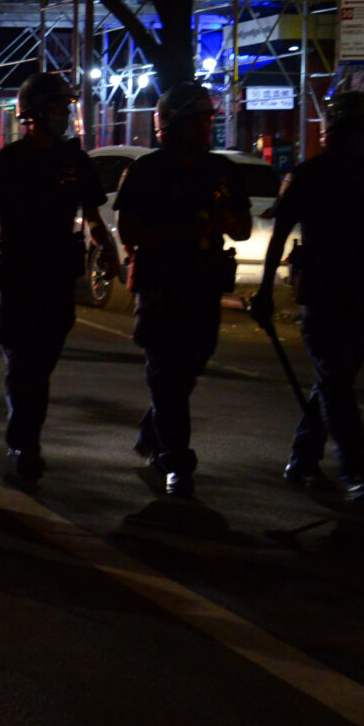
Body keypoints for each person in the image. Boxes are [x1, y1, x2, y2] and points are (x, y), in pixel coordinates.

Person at [0, 73, 118, 482]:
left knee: (40, 366)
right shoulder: (9, 161)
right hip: (18, 279)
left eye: (66, 108)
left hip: (57, 281)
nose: (64, 116)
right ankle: (24, 442)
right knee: (21, 363)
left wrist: (108, 249)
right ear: (33, 113)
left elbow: (94, 217)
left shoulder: (74, 160)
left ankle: (27, 435)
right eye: (56, 108)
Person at [252, 88, 364, 503]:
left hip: (363, 292)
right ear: (340, 128)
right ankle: (355, 471)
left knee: (336, 381)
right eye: (363, 125)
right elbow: (279, 234)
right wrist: (264, 292)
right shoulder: (310, 175)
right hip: (323, 293)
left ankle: (302, 457)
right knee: (336, 382)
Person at [114, 83, 252, 499]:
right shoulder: (147, 171)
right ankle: (176, 459)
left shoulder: (221, 170)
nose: (209, 126)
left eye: (211, 118)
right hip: (160, 286)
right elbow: (129, 230)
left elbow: (243, 227)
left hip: (203, 286)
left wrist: (227, 220)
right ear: (174, 123)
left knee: (188, 367)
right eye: (201, 119)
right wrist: (179, 232)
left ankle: (154, 431)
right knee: (164, 372)